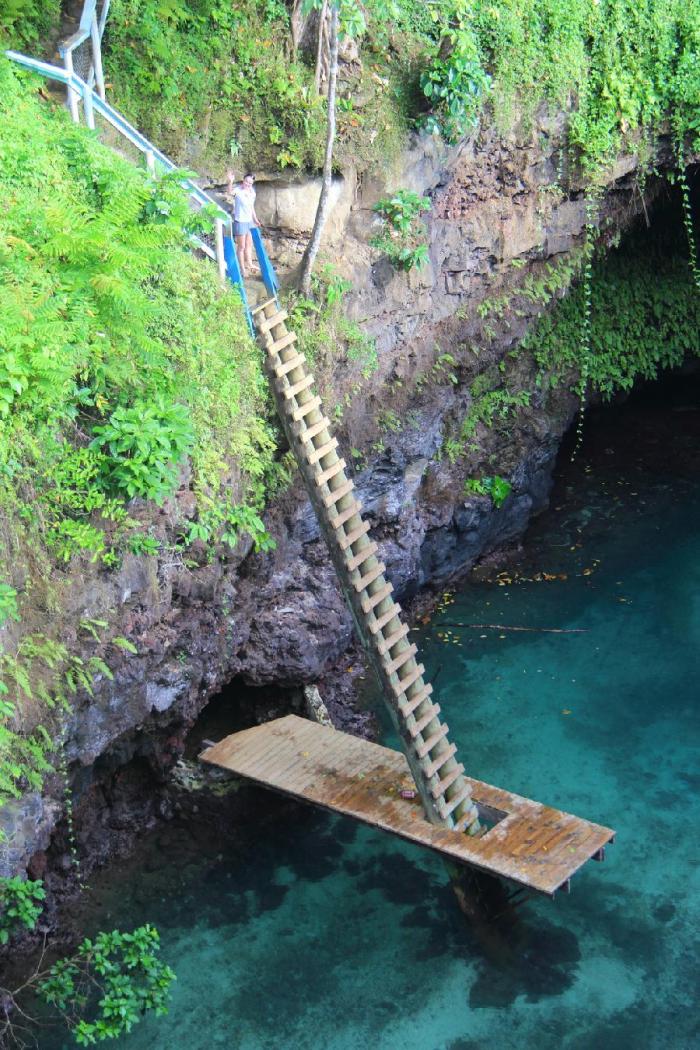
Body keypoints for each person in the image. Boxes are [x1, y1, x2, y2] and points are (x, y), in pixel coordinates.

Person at [226, 171, 261, 278]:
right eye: (246, 182)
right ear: (243, 181)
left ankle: (250, 264)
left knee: (249, 245)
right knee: (241, 247)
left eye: (250, 183)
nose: (247, 184)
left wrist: (255, 219)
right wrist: (230, 181)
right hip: (240, 221)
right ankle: (242, 269)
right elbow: (229, 192)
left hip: (249, 221)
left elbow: (251, 207)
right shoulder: (238, 190)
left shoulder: (252, 192)